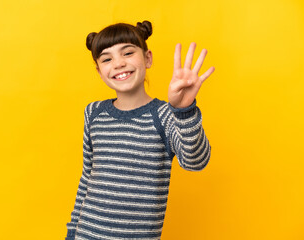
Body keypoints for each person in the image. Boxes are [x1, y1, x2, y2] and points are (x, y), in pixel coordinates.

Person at [65, 20, 215, 240]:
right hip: (85, 234)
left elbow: (196, 161)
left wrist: (183, 111)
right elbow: (87, 176)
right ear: (99, 71)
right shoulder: (93, 112)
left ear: (148, 58)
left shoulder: (164, 114)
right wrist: (72, 232)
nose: (118, 64)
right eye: (107, 58)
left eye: (127, 53)